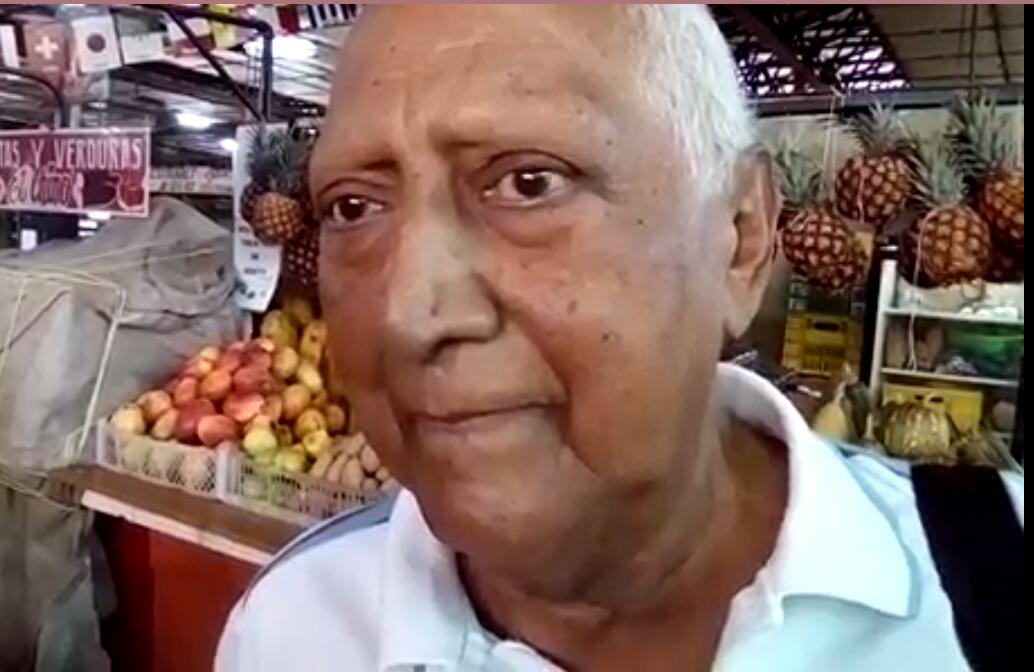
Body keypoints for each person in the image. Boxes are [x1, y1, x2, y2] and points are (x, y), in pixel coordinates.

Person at [217, 5, 1023, 671]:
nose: (408, 313)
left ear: (740, 236)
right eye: (354, 207)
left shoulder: (992, 581)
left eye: (529, 183)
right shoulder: (291, 632)